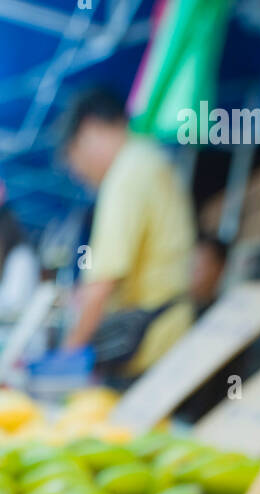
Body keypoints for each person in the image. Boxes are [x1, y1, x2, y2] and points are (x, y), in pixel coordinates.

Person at [62, 88, 195, 376]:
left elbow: (101, 283)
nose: (80, 174)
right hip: (169, 341)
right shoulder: (148, 158)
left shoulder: (126, 174)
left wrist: (68, 353)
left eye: (74, 160)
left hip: (148, 350)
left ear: (89, 130)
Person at [0, 205, 40, 325]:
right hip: (3, 331)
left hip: (17, 330)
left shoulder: (22, 258)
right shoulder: (2, 261)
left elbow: (14, 303)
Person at [190, 233, 229, 314]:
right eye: (193, 265)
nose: (193, 274)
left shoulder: (223, 311)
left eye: (200, 268)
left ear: (220, 268)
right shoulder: (174, 305)